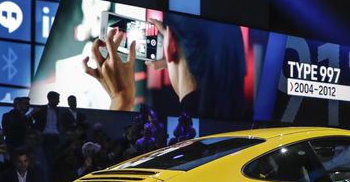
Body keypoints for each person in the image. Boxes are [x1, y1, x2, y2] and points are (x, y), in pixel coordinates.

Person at [83, 13, 246, 118]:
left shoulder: (177, 127)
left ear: (171, 45)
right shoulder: (237, 117)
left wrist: (120, 99)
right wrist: (177, 57)